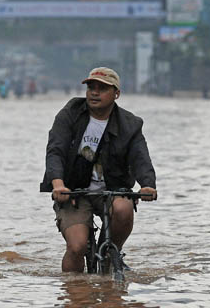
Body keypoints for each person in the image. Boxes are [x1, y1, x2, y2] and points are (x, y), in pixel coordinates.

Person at [40, 67, 157, 273]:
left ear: (116, 94)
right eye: (91, 87)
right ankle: (75, 294)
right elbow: (55, 150)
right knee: (77, 247)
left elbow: (141, 158)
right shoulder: (71, 113)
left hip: (113, 189)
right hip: (73, 192)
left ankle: (111, 255)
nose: (94, 92)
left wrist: (147, 185)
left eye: (102, 88)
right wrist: (58, 183)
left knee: (123, 209)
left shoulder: (130, 124)